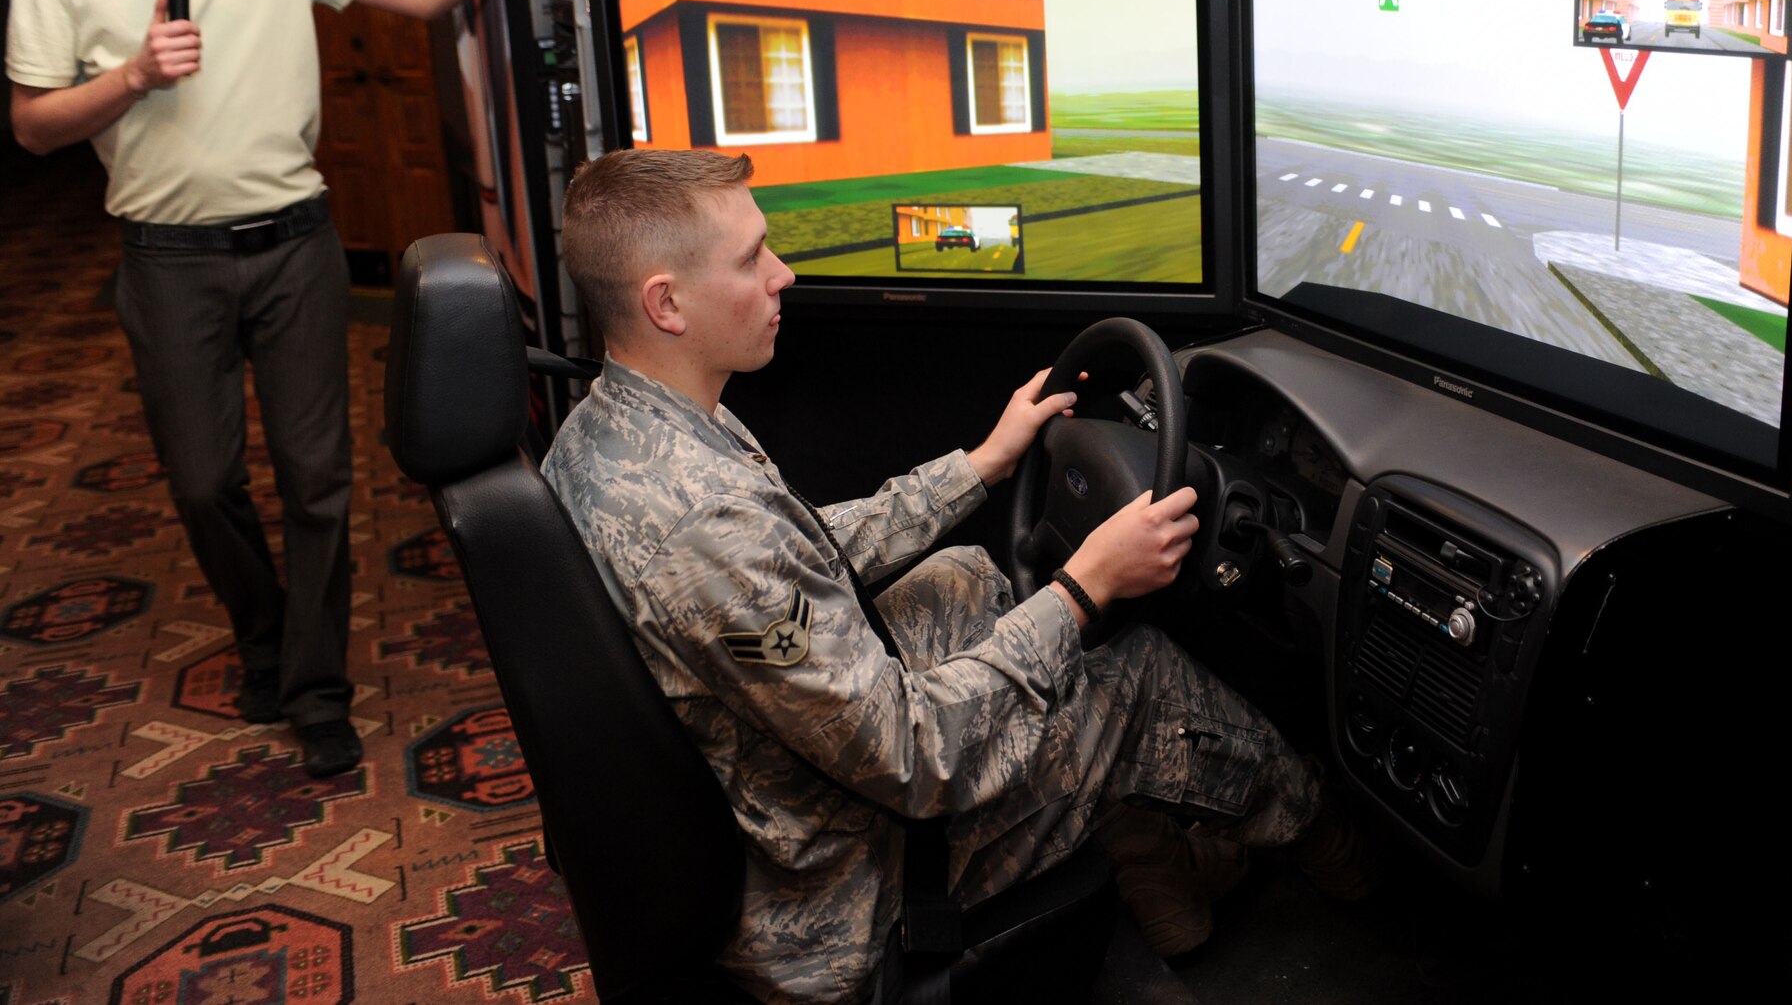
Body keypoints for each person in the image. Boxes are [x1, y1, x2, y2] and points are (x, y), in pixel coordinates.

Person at [543, 148, 1371, 1004]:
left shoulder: (617, 431)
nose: (783, 274)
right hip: (836, 897)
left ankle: (1159, 882)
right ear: (666, 302)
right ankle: (1332, 840)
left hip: (757, 800)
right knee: (1127, 676)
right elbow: (914, 757)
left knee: (966, 578)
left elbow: (798, 553)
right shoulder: (700, 522)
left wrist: (980, 465)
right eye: (752, 258)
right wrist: (1086, 586)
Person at [5, 0, 577, 778]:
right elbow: (34, 127)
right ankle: (261, 628)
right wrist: (131, 77)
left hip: (295, 246)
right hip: (168, 257)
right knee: (199, 479)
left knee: (319, 480)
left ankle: (314, 685)